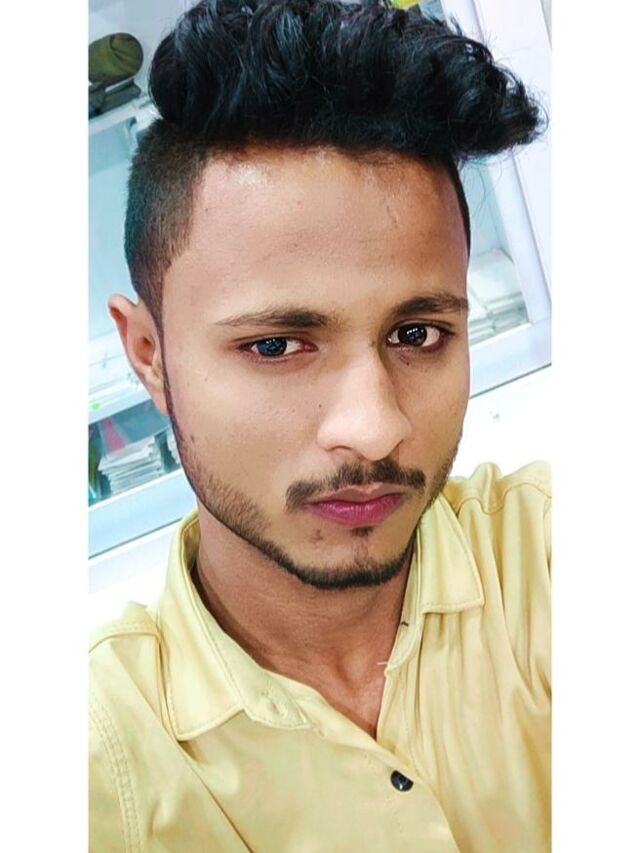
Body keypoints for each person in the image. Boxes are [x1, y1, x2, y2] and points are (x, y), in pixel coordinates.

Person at [89, 1, 550, 850]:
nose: (374, 430)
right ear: (149, 354)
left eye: (418, 334)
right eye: (276, 345)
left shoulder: (556, 562)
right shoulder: (92, 758)